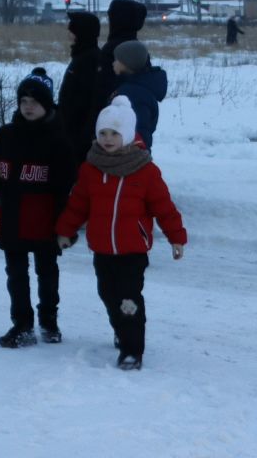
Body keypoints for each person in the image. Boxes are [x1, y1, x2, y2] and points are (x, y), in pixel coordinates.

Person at [55, 96, 187, 370]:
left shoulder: (145, 170)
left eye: (114, 133)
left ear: (126, 135)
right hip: (102, 248)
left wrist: (176, 237)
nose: (107, 138)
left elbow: (164, 207)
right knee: (107, 294)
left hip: (132, 250)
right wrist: (65, 230)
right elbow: (78, 203)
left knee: (128, 299)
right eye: (102, 133)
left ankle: (131, 350)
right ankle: (121, 330)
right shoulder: (91, 168)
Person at [0, 68, 79, 348]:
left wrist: (66, 226)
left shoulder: (58, 140)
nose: (28, 106)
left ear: (46, 104)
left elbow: (67, 186)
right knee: (15, 273)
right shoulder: (6, 134)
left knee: (47, 273)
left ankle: (49, 321)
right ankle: (22, 325)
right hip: (11, 217)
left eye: (34, 101)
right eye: (23, 101)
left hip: (44, 221)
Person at [108, 40, 167, 149]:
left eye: (116, 60)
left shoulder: (134, 95)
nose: (113, 63)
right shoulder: (130, 87)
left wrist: (135, 159)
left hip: (129, 158)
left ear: (126, 64)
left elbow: (140, 132)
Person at [58, 10, 102, 147]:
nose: (69, 34)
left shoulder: (89, 59)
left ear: (81, 33)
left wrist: (82, 136)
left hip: (79, 135)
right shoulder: (82, 56)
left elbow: (87, 100)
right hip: (73, 131)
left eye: (72, 30)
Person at [95, 0, 147, 111]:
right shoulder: (139, 49)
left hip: (111, 118)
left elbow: (101, 89)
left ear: (119, 20)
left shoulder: (113, 49)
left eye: (111, 17)